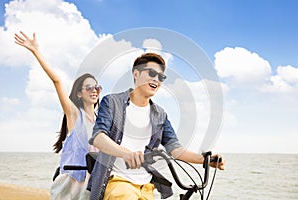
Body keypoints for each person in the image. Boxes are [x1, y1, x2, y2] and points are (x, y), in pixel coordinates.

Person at [87, 52, 226, 200]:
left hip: (146, 185)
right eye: (151, 73)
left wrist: (205, 161)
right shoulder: (112, 102)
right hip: (118, 181)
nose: (156, 79)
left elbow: (175, 149)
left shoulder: (160, 114)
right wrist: (126, 154)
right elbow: (98, 138)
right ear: (136, 74)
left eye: (161, 77)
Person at [14, 31, 102, 200]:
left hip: (94, 185)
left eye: (97, 87)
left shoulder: (101, 121)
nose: (94, 90)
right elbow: (57, 81)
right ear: (78, 94)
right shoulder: (75, 115)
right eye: (88, 87)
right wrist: (36, 51)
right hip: (71, 186)